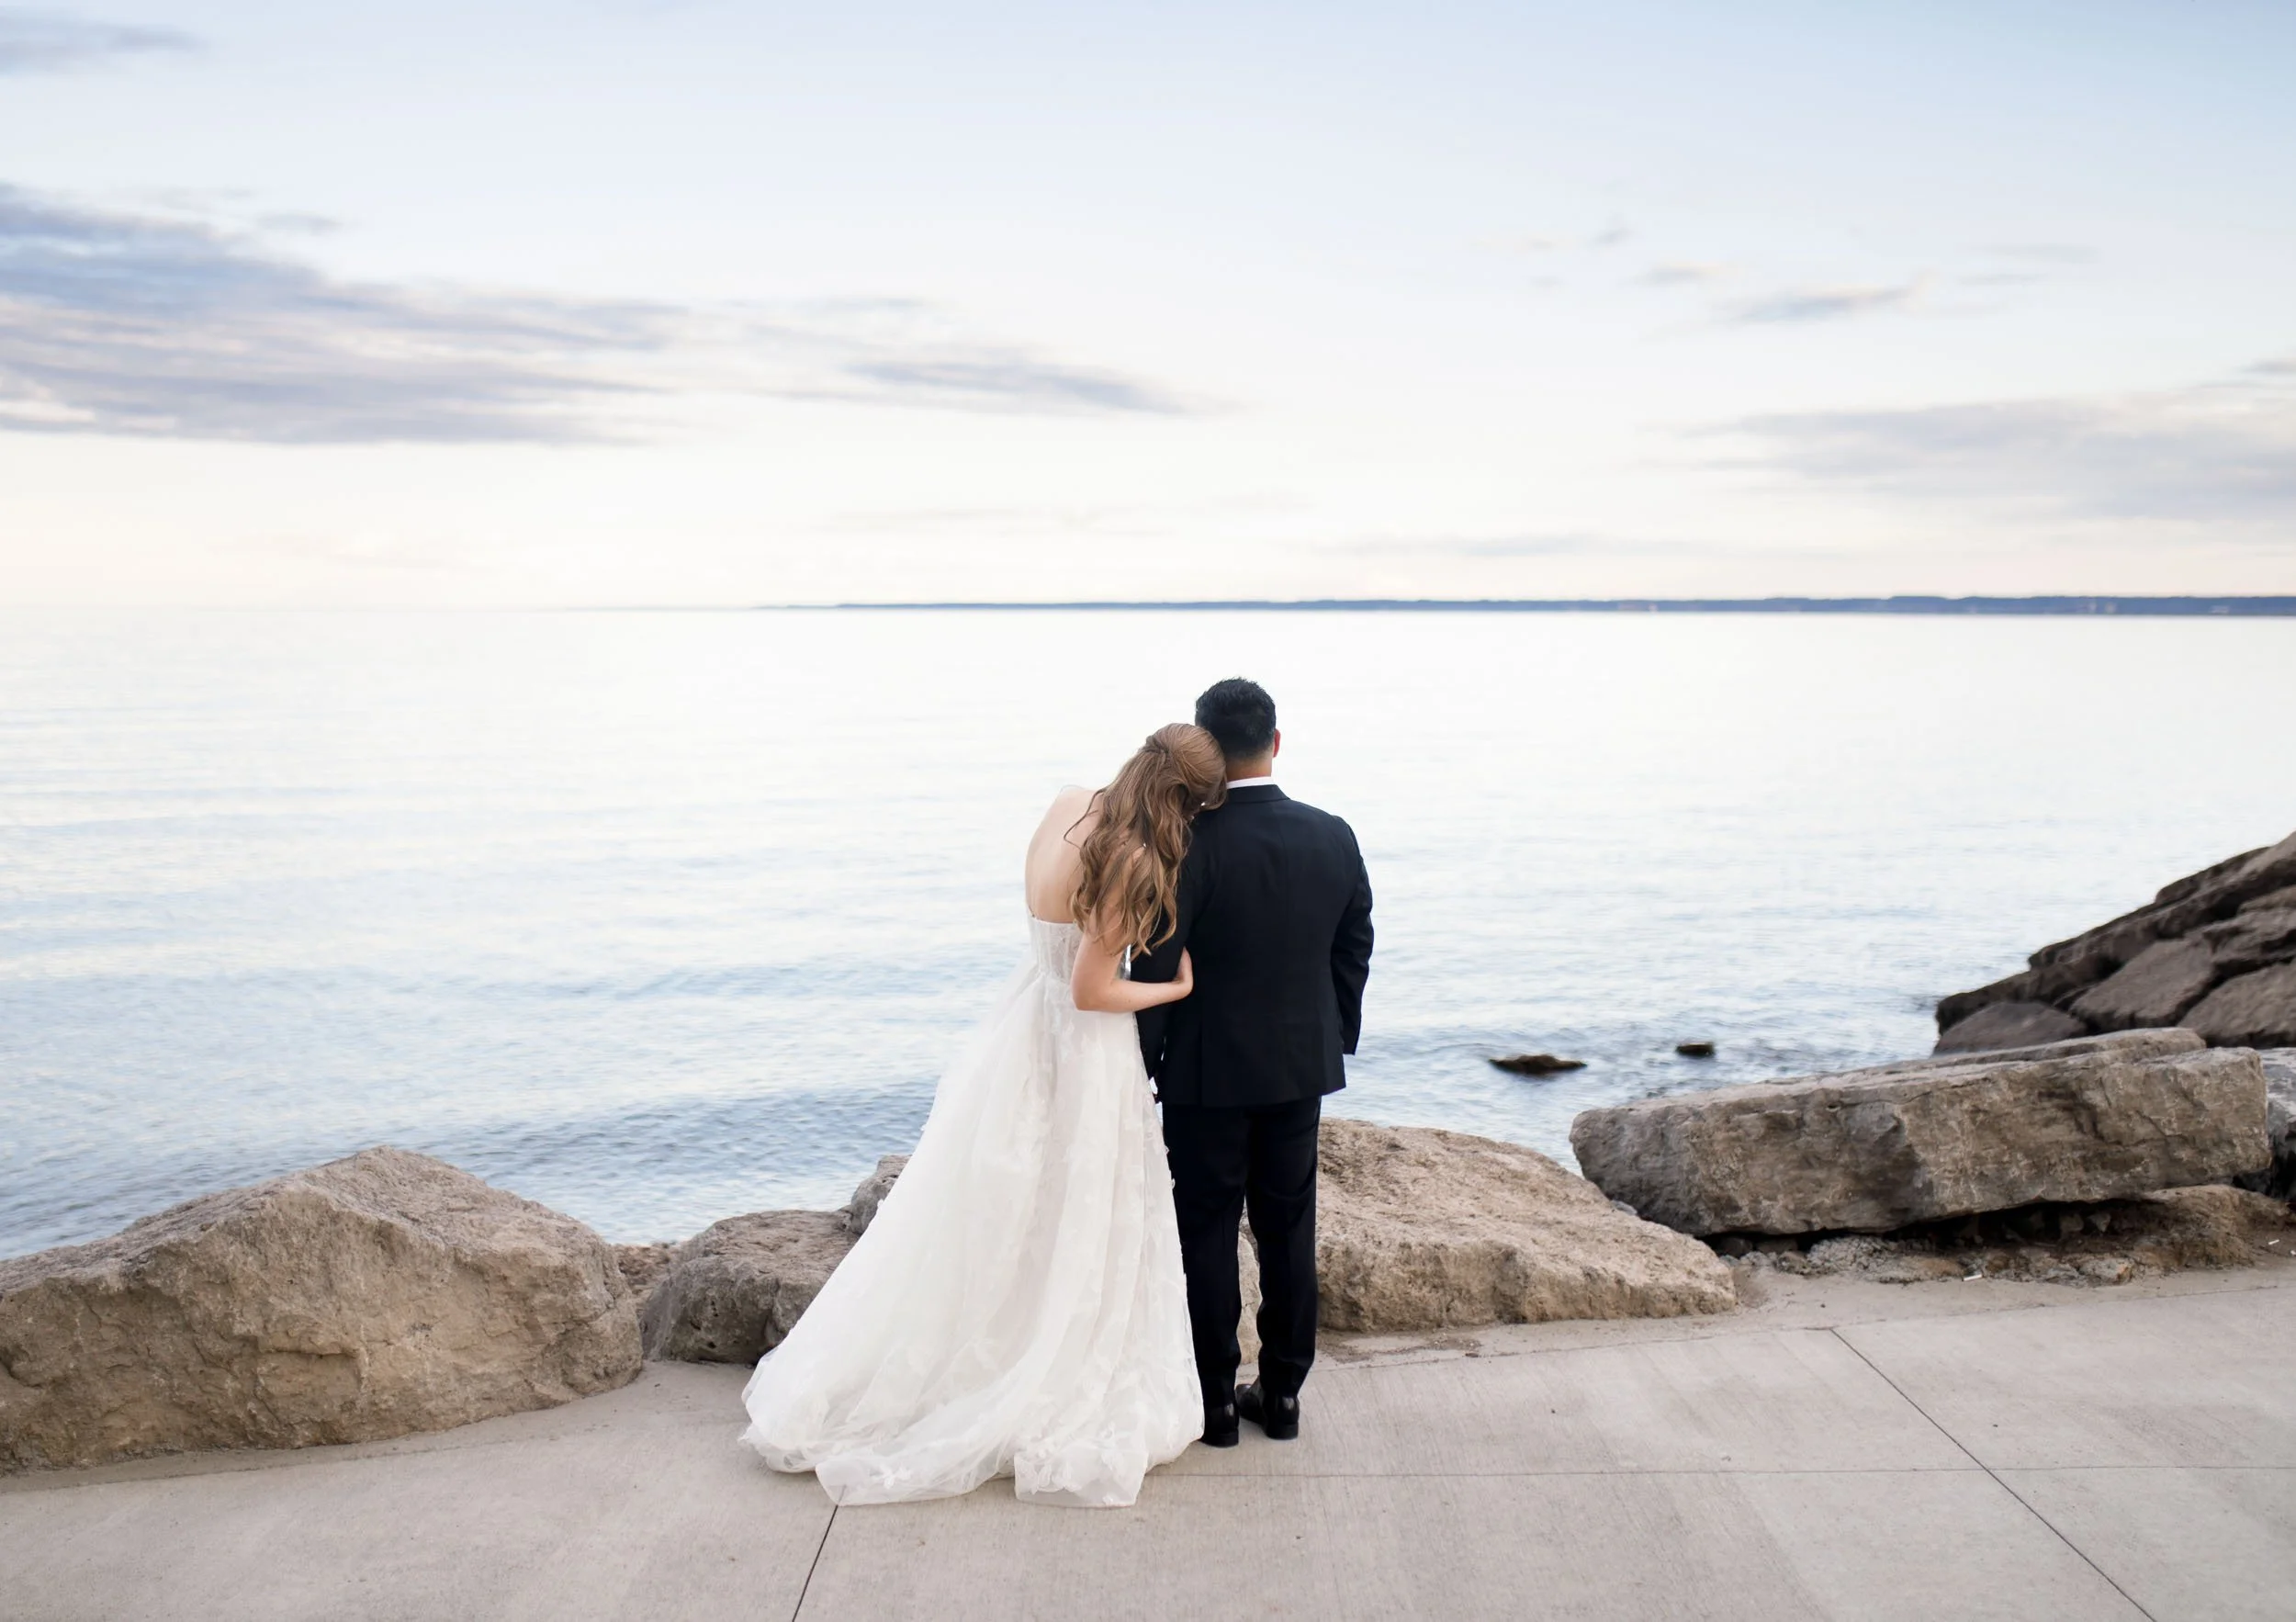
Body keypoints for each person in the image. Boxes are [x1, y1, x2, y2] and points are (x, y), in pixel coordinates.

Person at [739, 724, 1226, 1506]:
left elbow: (1056, 957)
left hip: (1023, 1018)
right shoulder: (1131, 858)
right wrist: (1172, 990)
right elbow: (1093, 990)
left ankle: (980, 1347)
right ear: (1185, 798)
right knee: (1077, 1207)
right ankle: (1037, 1364)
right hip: (1084, 1045)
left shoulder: (1072, 803)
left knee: (1009, 1203)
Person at [1131, 679, 1374, 1447]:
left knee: (1204, 1232)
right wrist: (1332, 1037)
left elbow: (1159, 971)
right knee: (1288, 1228)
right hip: (1300, 1068)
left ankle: (1213, 1405)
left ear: (1204, 750)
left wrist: (1139, 1066)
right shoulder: (1332, 833)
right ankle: (1284, 1393)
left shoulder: (1185, 845)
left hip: (1205, 1076)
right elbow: (1353, 946)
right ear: (1276, 742)